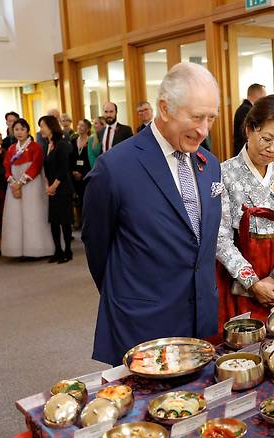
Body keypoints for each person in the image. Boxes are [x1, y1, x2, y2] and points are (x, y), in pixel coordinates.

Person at [82, 62, 221, 365]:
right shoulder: (115, 168)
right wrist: (125, 297)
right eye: (196, 117)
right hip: (143, 323)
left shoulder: (210, 165)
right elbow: (97, 247)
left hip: (201, 318)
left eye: (211, 118)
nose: (204, 129)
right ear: (165, 108)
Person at [216, 95, 274, 326]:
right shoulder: (224, 173)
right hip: (241, 272)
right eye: (266, 139)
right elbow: (221, 238)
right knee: (244, 348)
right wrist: (254, 283)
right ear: (249, 129)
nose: (272, 149)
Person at [1, 118, 53, 259]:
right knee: (16, 217)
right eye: (16, 129)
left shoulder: (35, 147)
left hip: (32, 184)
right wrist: (13, 184)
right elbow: (6, 167)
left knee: (33, 215)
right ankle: (19, 250)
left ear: (27, 131)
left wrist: (20, 183)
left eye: (22, 129)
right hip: (14, 186)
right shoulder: (12, 149)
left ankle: (36, 249)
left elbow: (35, 166)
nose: (19, 132)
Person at [39, 115, 74, 263]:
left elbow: (64, 168)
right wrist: (47, 185)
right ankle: (58, 250)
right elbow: (46, 168)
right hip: (52, 188)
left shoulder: (62, 144)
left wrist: (53, 186)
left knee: (65, 221)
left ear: (51, 126)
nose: (40, 129)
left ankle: (68, 251)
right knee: (54, 221)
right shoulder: (47, 144)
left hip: (63, 187)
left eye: (42, 126)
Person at [233, 83, 266, 156]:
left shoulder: (245, 108)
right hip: (245, 154)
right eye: (264, 97)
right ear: (258, 95)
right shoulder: (247, 110)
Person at [71, 119, 91, 228]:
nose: (79, 127)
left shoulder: (91, 141)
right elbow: (71, 158)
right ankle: (77, 220)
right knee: (76, 199)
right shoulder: (73, 141)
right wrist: (73, 171)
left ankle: (86, 221)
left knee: (85, 199)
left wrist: (82, 174)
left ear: (87, 128)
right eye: (78, 125)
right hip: (74, 175)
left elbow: (90, 160)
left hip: (86, 175)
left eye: (82, 126)